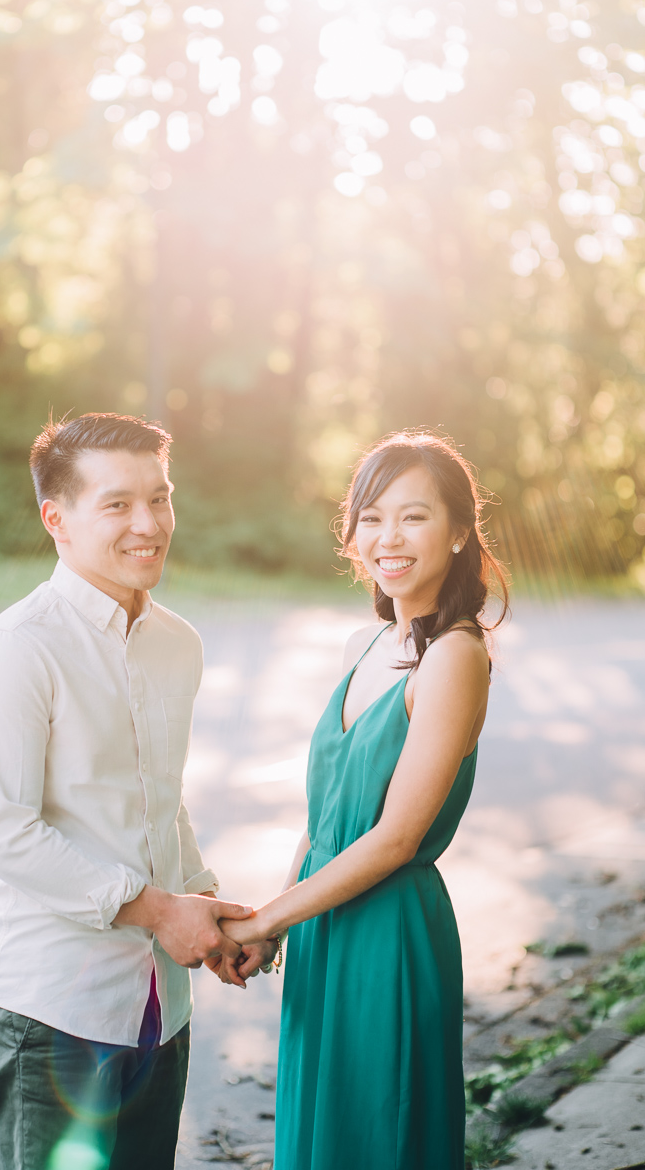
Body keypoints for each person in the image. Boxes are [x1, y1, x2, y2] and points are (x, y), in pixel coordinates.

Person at [0, 412, 254, 1170]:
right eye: (116, 504)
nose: (148, 524)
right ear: (57, 519)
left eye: (160, 497)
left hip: (158, 1009)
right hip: (49, 1012)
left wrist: (207, 910)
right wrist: (159, 912)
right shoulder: (16, 653)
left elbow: (160, 801)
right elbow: (5, 835)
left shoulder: (177, 644)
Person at [220, 431, 509, 1169]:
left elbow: (393, 839)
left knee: (377, 1137)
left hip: (388, 936)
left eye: (413, 516)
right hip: (320, 928)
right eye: (371, 516)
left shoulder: (455, 657)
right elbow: (324, 824)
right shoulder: (362, 644)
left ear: (456, 534)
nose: (389, 537)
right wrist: (279, 925)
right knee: (321, 1138)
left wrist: (262, 918)